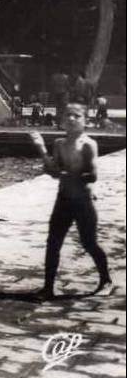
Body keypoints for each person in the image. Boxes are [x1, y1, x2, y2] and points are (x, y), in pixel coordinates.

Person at [29, 106, 111, 299]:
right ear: (62, 120)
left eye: (77, 116)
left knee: (89, 242)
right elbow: (53, 171)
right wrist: (41, 148)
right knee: (53, 243)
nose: (72, 119)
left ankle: (106, 280)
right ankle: (48, 288)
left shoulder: (88, 144)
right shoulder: (59, 143)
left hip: (83, 201)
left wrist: (65, 174)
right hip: (64, 199)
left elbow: (92, 176)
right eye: (68, 115)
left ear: (85, 121)